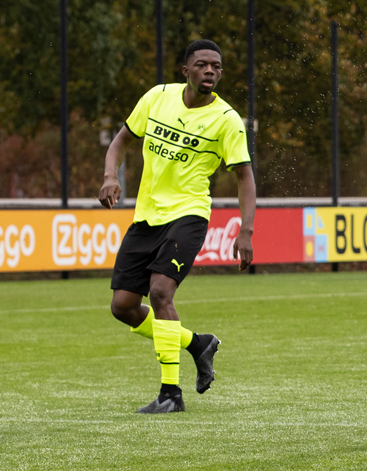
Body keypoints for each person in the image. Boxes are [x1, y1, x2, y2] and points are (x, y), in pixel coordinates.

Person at [98, 39, 256, 413]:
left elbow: (245, 177)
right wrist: (109, 176)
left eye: (216, 67)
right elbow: (120, 141)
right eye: (202, 65)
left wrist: (245, 231)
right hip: (146, 215)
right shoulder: (156, 97)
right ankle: (197, 343)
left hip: (188, 215)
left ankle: (171, 394)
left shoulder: (227, 120)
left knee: (160, 293)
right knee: (122, 306)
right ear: (186, 71)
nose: (210, 71)